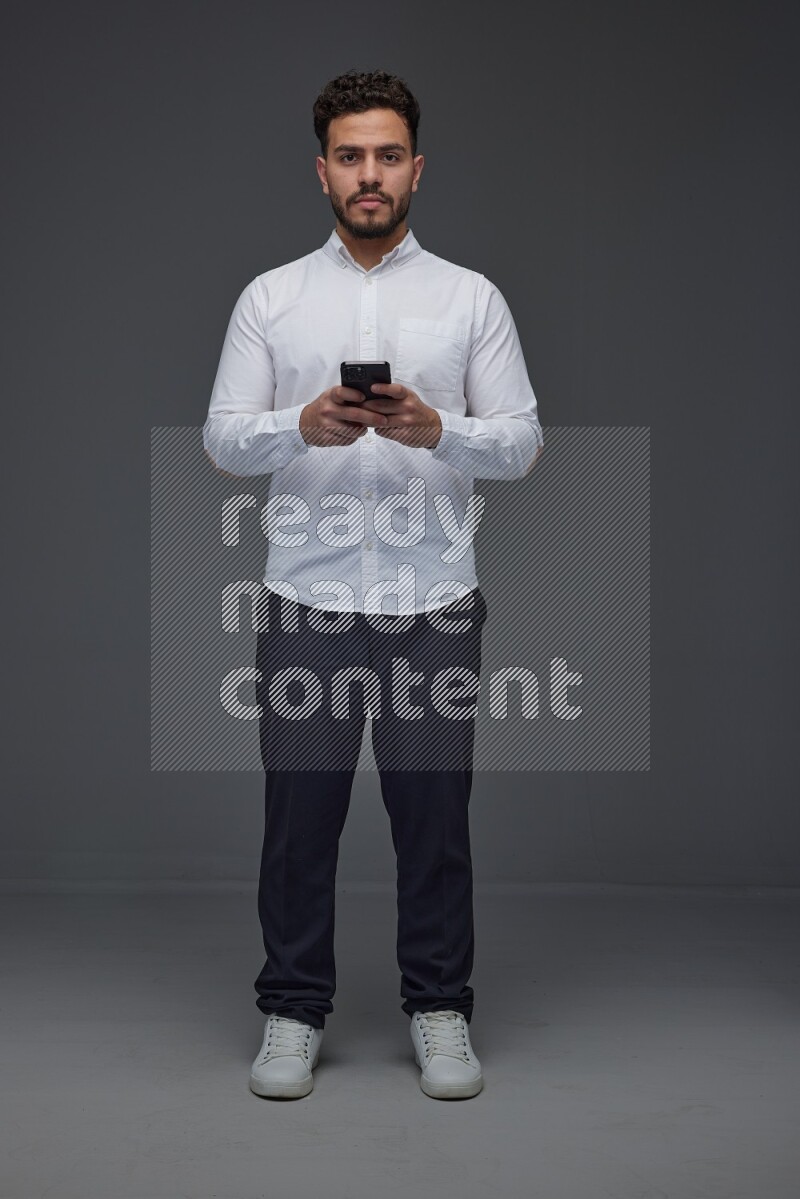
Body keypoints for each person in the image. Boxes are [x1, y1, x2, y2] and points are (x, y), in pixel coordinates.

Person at [203, 69, 543, 1101]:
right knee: (297, 812)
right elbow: (223, 437)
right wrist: (293, 427)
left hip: (431, 601)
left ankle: (438, 1007)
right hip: (305, 600)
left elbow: (522, 441)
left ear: (415, 167)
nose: (368, 174)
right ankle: (291, 1009)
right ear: (321, 171)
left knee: (431, 812)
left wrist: (439, 428)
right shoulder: (272, 296)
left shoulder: (467, 297)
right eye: (349, 155)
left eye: (387, 154)